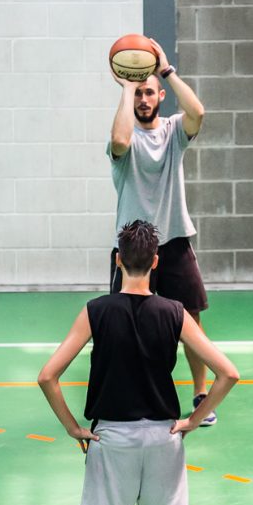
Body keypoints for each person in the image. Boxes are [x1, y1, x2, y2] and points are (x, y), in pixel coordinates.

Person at [38, 220, 239, 505]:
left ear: (116, 261)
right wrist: (192, 418)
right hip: (164, 439)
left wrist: (73, 428)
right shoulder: (175, 311)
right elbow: (229, 372)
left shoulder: (95, 311)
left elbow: (47, 376)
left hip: (112, 440)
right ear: (155, 262)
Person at [108, 38, 217, 425]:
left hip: (173, 241)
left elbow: (198, 112)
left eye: (149, 92)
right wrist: (125, 85)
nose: (143, 98)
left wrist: (167, 69)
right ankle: (130, 396)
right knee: (126, 323)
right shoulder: (124, 137)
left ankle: (201, 393)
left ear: (160, 96)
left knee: (191, 317)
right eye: (138, 93)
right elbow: (120, 141)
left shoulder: (173, 130)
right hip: (134, 249)